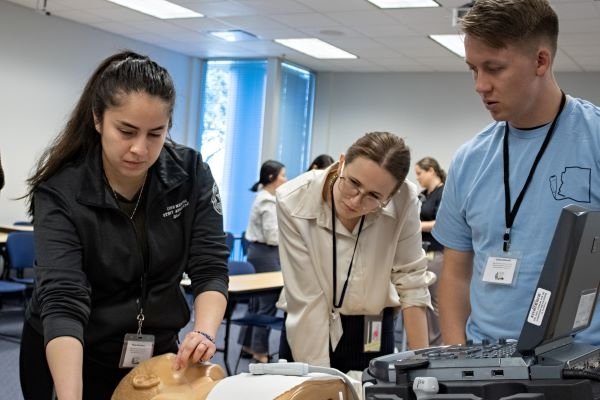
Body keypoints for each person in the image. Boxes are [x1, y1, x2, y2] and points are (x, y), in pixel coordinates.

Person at [19, 50, 230, 400]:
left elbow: (210, 266)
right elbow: (64, 300)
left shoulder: (190, 174)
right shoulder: (61, 190)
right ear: (98, 120)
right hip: (73, 350)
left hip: (157, 352)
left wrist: (204, 334)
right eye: (126, 130)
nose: (139, 149)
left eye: (155, 134)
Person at [432, 0, 600, 346]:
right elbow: (456, 273)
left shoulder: (594, 139)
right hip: (486, 364)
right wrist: (456, 356)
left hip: (581, 365)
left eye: (494, 68)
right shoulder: (469, 160)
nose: (480, 85)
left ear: (541, 60)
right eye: (473, 69)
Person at [276, 131, 435, 372]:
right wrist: (320, 384)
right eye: (353, 183)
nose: (355, 201)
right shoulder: (293, 199)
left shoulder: (405, 199)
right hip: (307, 323)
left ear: (391, 195)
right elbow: (307, 298)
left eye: (373, 196)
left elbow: (411, 279)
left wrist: (423, 368)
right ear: (341, 163)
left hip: (372, 327)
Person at [238, 160, 287, 363]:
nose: (286, 179)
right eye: (283, 175)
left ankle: (249, 345)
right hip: (266, 252)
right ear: (271, 178)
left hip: (260, 252)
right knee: (267, 303)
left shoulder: (265, 198)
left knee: (257, 303)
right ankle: (260, 351)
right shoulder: (267, 201)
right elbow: (272, 236)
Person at [414, 156, 446, 346]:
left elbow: (440, 224)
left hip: (437, 254)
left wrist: (417, 226)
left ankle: (436, 345)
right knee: (421, 301)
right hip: (422, 254)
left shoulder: (443, 193)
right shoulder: (424, 194)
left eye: (419, 173)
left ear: (431, 170)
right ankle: (421, 343)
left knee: (435, 303)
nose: (417, 178)